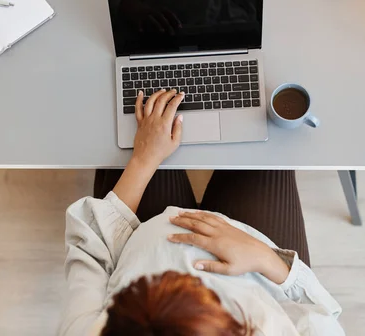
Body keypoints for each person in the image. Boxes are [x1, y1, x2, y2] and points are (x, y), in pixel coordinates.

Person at [59, 89, 344, 335]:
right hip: (257, 265)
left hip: (138, 235)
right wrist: (266, 258)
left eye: (151, 281)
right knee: (264, 132)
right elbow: (323, 320)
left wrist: (144, 158)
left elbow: (92, 251)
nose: (181, 272)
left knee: (136, 122)